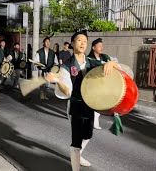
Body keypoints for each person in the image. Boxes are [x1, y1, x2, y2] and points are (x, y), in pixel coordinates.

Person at [45, 32, 119, 171]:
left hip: (90, 105)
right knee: (76, 141)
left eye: (85, 40)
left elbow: (117, 67)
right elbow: (67, 91)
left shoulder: (93, 61)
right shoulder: (67, 66)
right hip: (76, 106)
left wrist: (111, 62)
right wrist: (57, 81)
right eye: (79, 40)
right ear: (72, 43)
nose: (83, 43)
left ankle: (78, 154)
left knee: (88, 134)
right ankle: (75, 161)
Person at [87, 38, 113, 130]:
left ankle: (95, 117)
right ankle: (94, 120)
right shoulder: (88, 59)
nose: (101, 47)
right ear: (93, 47)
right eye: (99, 46)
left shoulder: (105, 57)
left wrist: (110, 63)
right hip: (93, 83)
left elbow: (113, 65)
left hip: (104, 83)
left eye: (102, 46)